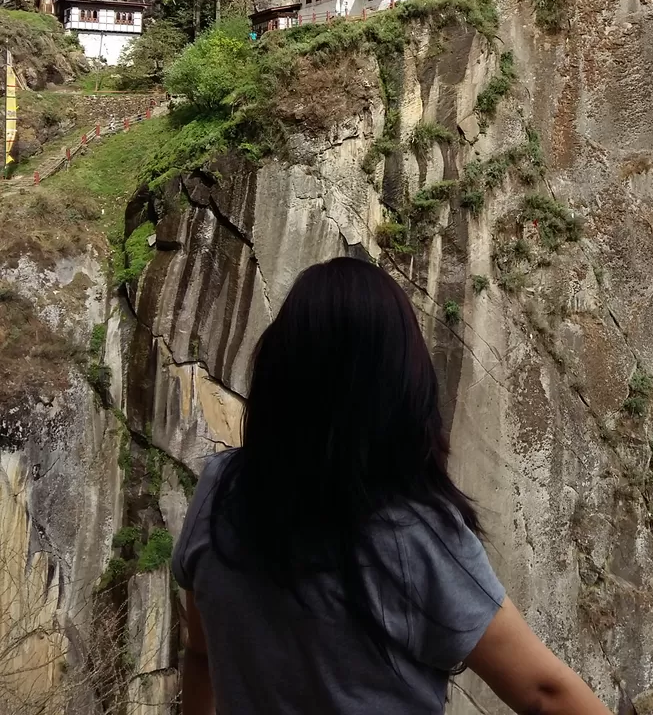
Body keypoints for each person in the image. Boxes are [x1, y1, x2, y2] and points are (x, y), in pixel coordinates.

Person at [172, 258, 611, 715]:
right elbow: (543, 693)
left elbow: (201, 654)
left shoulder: (221, 492)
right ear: (400, 386)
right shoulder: (411, 535)